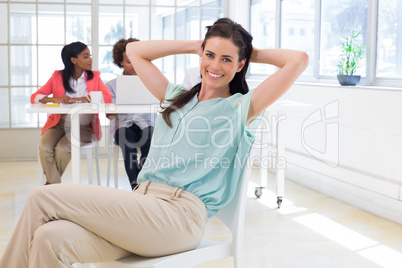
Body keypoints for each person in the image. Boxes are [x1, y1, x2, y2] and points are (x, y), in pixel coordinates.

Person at [0, 18, 308, 267]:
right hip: (142, 206)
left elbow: (298, 60)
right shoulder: (176, 97)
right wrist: (196, 45)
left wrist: (247, 50)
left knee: (43, 197)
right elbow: (135, 51)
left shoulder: (241, 108)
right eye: (210, 55)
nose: (215, 65)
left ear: (239, 66)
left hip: (179, 219)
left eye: (228, 59)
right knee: (48, 239)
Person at [30, 41, 112, 185]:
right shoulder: (57, 76)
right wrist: (54, 98)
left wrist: (82, 98)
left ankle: (50, 186)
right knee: (44, 148)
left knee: (62, 148)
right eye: (86, 56)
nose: (90, 59)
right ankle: (54, 186)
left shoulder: (95, 77)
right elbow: (35, 97)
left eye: (90, 56)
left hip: (84, 127)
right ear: (73, 60)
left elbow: (107, 98)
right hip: (59, 124)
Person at [106, 38, 154, 189]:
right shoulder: (112, 85)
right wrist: (118, 106)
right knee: (129, 145)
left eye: (136, 60)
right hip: (123, 125)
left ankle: (145, 182)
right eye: (128, 61)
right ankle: (136, 187)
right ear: (120, 62)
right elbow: (109, 115)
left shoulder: (151, 81)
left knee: (151, 141)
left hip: (146, 122)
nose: (133, 65)